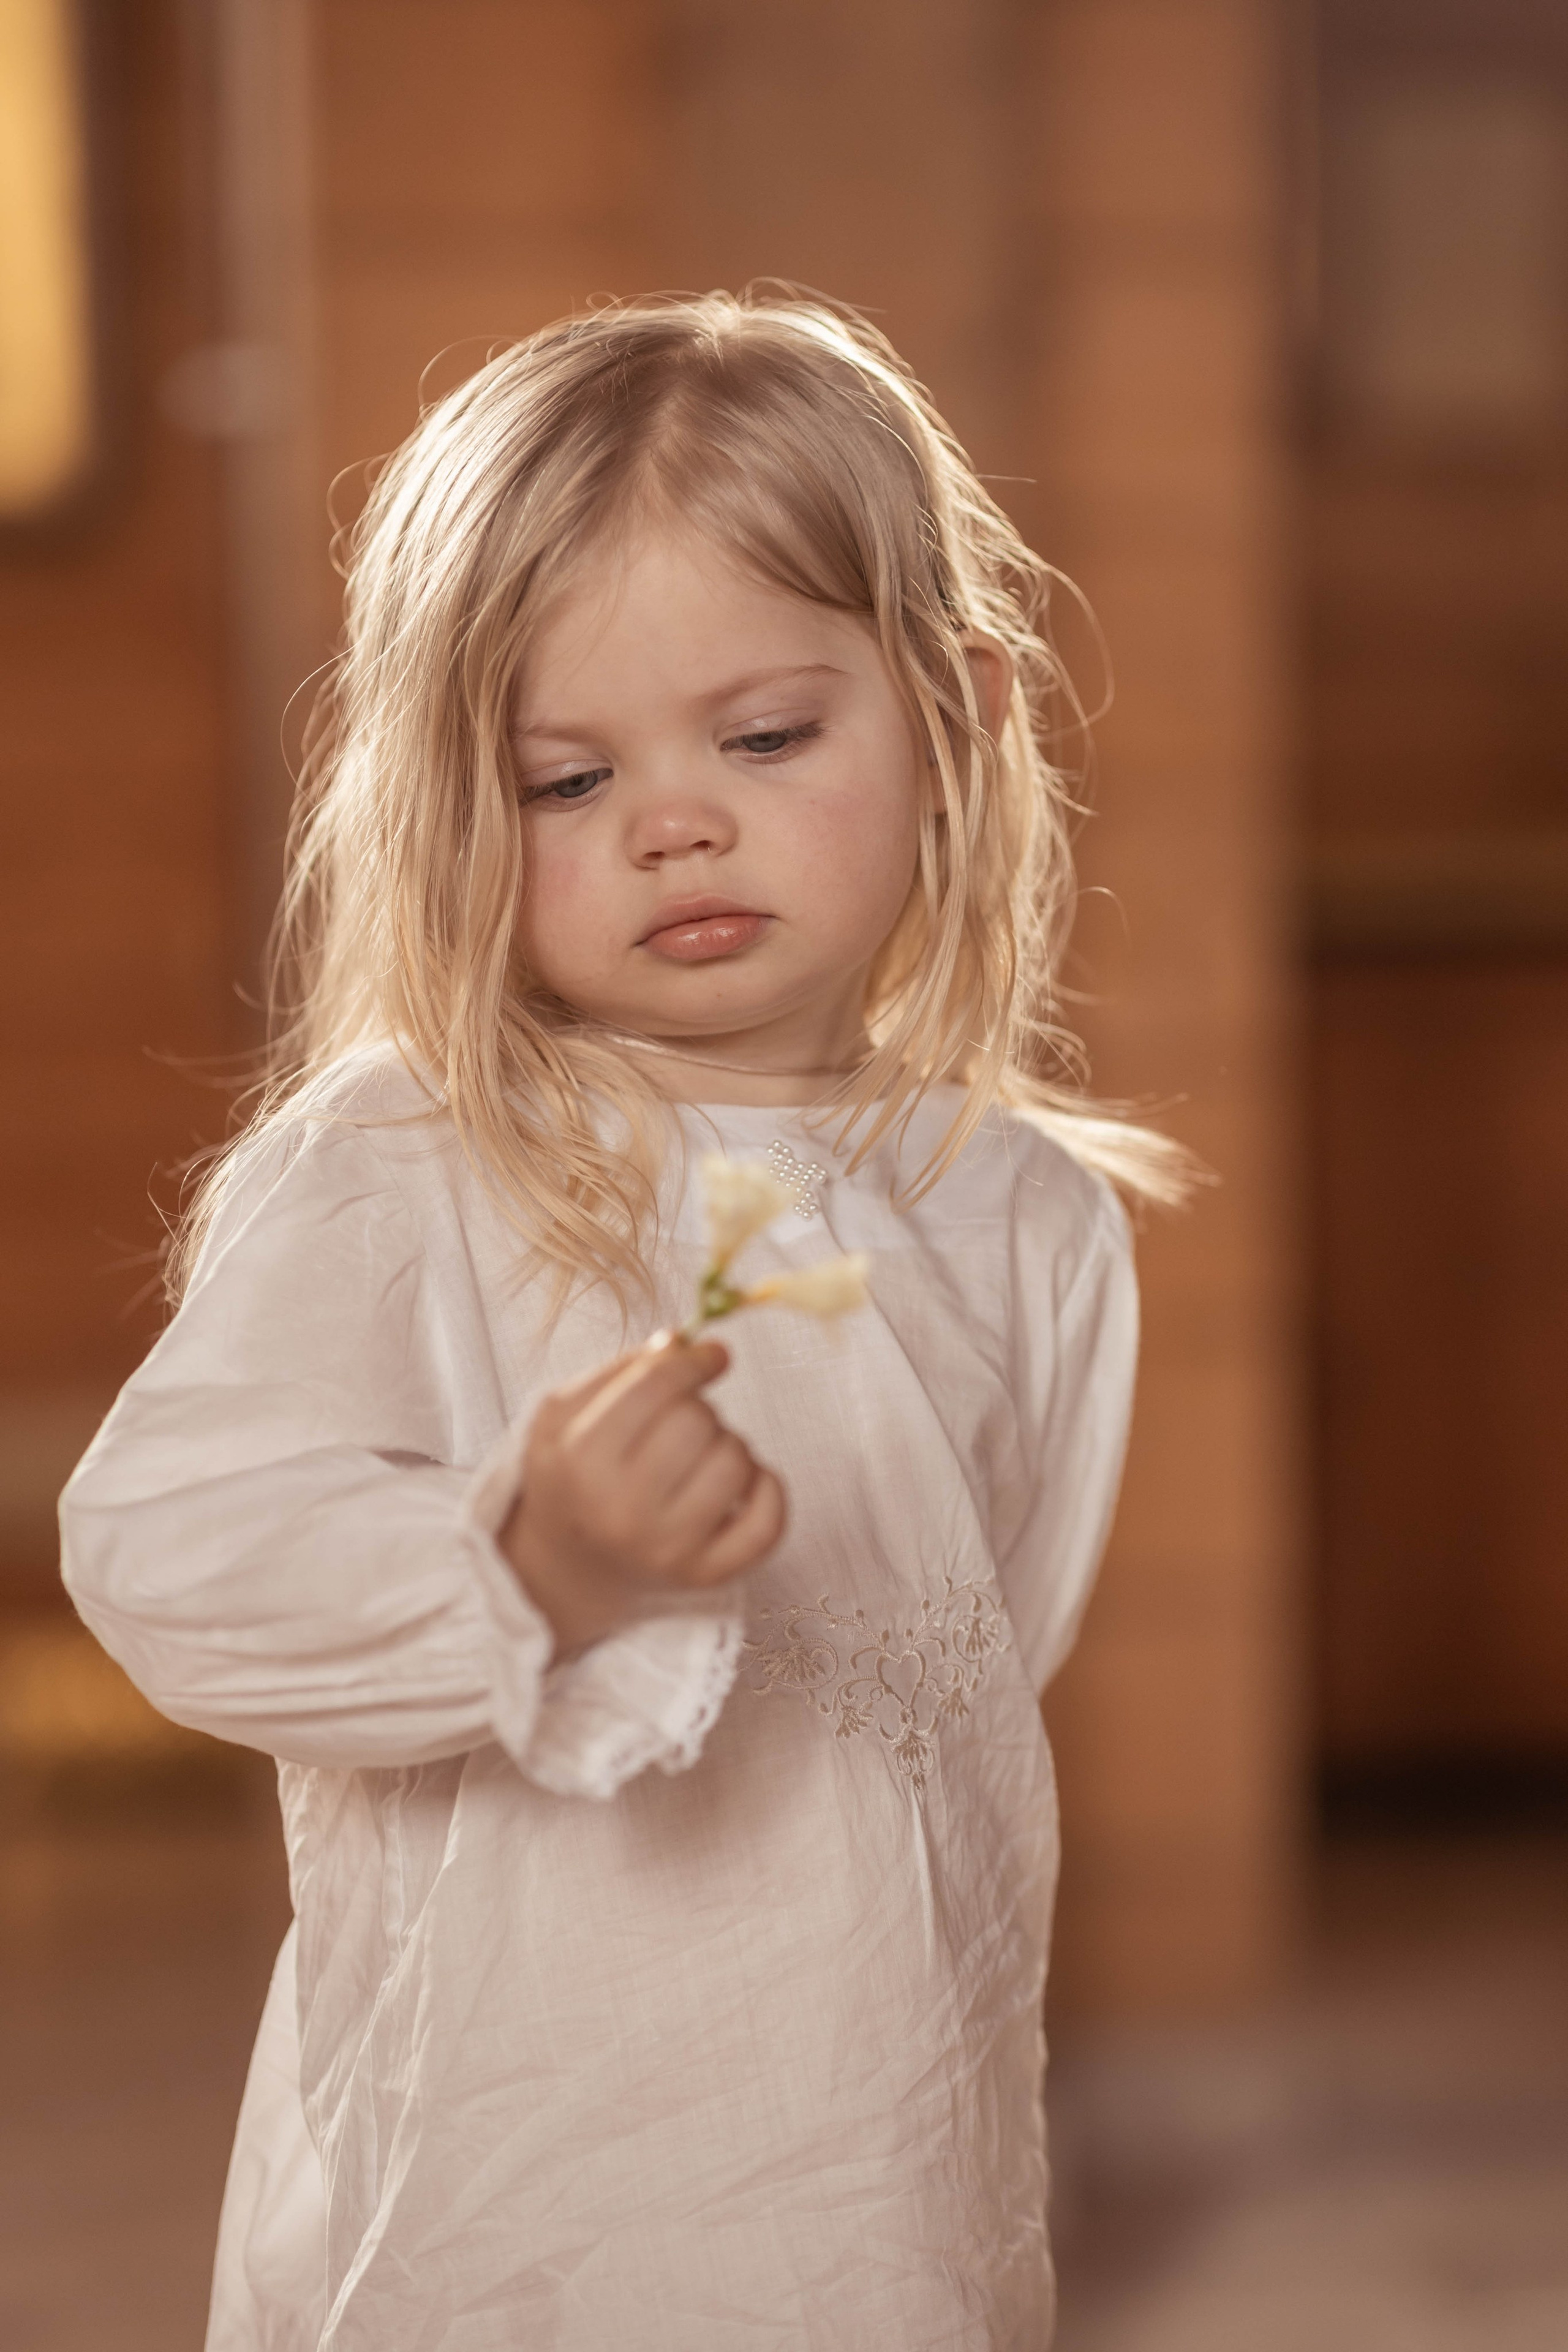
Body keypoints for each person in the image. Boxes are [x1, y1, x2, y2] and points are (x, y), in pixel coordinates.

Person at [61, 290, 1183, 2350]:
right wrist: (528, 1565)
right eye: (569, 778)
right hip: (513, 2193)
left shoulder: (1022, 1217)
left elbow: (979, 1656)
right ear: (453, 808)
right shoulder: (416, 1170)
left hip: (884, 2175)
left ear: (959, 713)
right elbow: (163, 1556)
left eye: (765, 739)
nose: (676, 819)